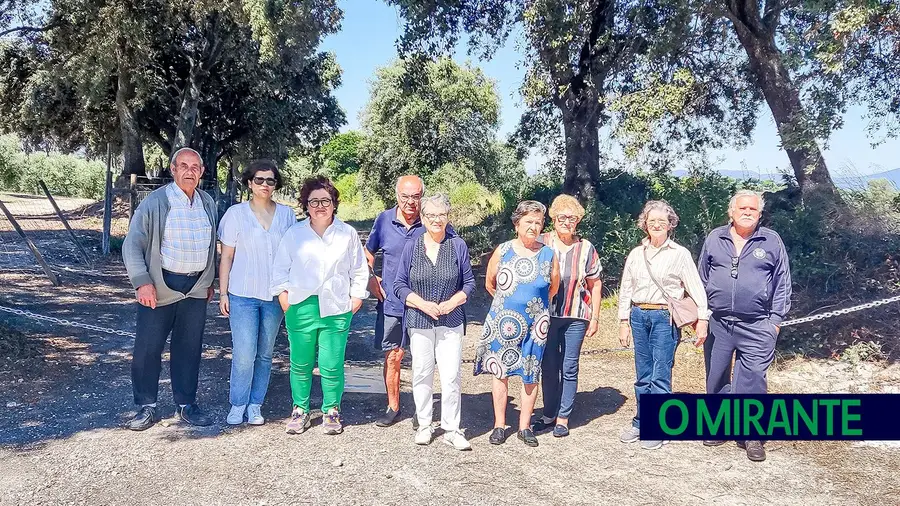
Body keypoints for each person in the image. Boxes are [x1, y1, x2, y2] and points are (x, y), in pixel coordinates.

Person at [122, 147, 217, 430]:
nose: (190, 171)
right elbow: (132, 244)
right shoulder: (155, 202)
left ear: (201, 172)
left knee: (189, 349)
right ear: (173, 170)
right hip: (160, 285)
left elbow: (212, 246)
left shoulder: (207, 202)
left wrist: (208, 281)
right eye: (183, 166)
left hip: (196, 288)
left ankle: (186, 404)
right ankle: (145, 406)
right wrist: (142, 282)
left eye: (195, 166)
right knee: (148, 348)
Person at [271, 175, 369, 435]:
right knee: (300, 363)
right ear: (306, 205)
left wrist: (356, 297)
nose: (320, 206)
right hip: (300, 306)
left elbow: (360, 269)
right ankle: (300, 410)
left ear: (334, 204)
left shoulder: (347, 234)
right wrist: (284, 298)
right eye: (314, 201)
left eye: (325, 200)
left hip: (336, 308)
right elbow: (280, 269)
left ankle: (331, 411)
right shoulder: (294, 234)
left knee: (331, 364)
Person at [699, 189, 791, 462]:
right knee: (715, 378)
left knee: (752, 382)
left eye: (753, 209)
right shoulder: (715, 238)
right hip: (719, 323)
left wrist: (775, 321)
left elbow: (783, 283)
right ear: (731, 212)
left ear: (760, 214)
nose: (747, 212)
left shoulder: (771, 241)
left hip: (757, 325)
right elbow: (702, 277)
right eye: (742, 208)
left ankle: (752, 435)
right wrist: (702, 315)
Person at [617, 200, 709, 450]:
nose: (656, 225)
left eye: (661, 221)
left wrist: (703, 319)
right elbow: (626, 288)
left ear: (670, 224)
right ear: (644, 224)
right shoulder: (637, 254)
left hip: (663, 318)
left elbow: (696, 288)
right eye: (651, 221)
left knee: (660, 373)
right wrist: (623, 320)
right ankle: (640, 422)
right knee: (642, 374)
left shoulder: (679, 254)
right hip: (638, 315)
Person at [474, 200, 560, 447]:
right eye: (528, 222)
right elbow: (490, 283)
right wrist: (508, 305)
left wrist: (533, 309)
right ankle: (499, 425)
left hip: (536, 324)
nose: (533, 227)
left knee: (530, 374)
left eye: (538, 222)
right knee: (500, 373)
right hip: (503, 322)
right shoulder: (503, 250)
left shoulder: (548, 254)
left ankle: (524, 426)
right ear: (517, 224)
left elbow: (553, 288)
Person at [393, 194, 475, 450]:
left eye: (442, 215)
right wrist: (421, 303)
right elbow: (399, 285)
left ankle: (451, 428)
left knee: (451, 377)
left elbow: (470, 283)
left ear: (448, 217)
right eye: (431, 215)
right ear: (422, 218)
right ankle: (425, 425)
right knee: (421, 374)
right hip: (419, 320)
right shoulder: (412, 246)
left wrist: (453, 302)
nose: (437, 220)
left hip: (451, 321)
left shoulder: (457, 245)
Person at [218, 160, 296, 426]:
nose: (265, 185)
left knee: (265, 353)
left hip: (274, 297)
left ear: (276, 185)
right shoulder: (235, 214)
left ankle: (255, 404)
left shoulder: (286, 215)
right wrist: (223, 293)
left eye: (270, 180)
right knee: (243, 353)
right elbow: (226, 257)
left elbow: (292, 256)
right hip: (242, 295)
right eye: (259, 180)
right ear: (249, 183)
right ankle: (237, 403)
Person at [532, 194, 602, 438]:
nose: (566, 222)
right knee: (548, 366)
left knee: (569, 366)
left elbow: (595, 283)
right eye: (562, 217)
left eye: (572, 218)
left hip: (576, 315)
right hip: (545, 315)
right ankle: (548, 414)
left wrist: (595, 316)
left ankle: (563, 417)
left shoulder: (586, 248)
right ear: (553, 218)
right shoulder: (541, 242)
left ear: (578, 221)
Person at [365, 175, 429, 428]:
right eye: (406, 196)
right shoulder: (384, 219)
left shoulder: (432, 220)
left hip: (425, 303)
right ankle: (393, 407)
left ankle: (422, 410)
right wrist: (371, 280)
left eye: (416, 196)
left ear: (422, 197)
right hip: (392, 301)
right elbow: (368, 252)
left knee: (424, 358)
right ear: (397, 196)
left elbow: (452, 250)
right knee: (394, 355)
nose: (411, 202)